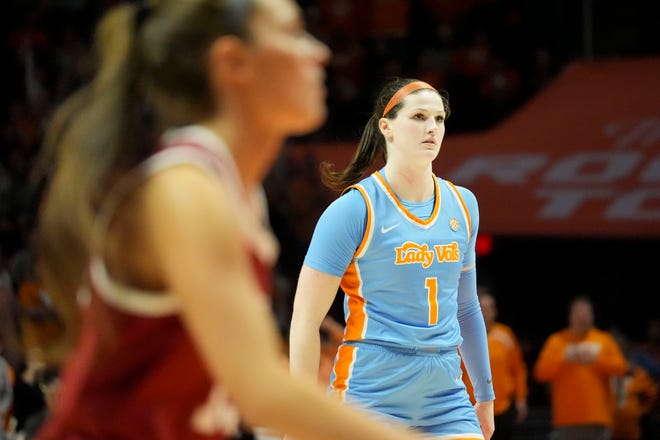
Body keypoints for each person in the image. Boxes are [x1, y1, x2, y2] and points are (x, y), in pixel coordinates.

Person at [32, 1, 434, 439]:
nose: (319, 52)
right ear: (234, 61)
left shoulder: (238, 192)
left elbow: (237, 377)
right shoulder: (186, 192)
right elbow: (260, 391)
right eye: (294, 32)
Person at [288, 76, 495, 439]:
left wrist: (486, 395)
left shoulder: (464, 205)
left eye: (439, 119)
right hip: (371, 391)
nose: (432, 128)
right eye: (418, 117)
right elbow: (305, 319)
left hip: (445, 394)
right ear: (387, 127)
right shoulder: (354, 209)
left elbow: (466, 309)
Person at [533, 296, 628, 440]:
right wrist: (565, 358)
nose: (583, 317)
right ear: (570, 316)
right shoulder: (557, 341)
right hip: (567, 419)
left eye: (587, 313)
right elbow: (540, 373)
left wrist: (597, 359)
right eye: (579, 313)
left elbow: (621, 368)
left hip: (598, 417)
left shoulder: (604, 340)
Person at [461, 287, 528, 440]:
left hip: (503, 407)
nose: (485, 312)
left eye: (489, 308)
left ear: (495, 311)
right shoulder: (462, 336)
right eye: (481, 308)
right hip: (472, 408)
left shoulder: (505, 336)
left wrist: (521, 399)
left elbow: (518, 370)